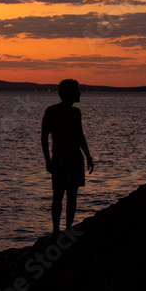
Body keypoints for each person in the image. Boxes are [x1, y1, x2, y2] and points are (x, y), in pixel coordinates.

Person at [41, 78, 94, 236]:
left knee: (72, 195)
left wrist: (88, 156)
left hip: (75, 158)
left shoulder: (76, 112)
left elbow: (80, 135)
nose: (79, 93)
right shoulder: (51, 111)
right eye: (76, 90)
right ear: (68, 93)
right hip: (60, 158)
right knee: (58, 196)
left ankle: (68, 228)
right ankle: (56, 230)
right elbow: (44, 137)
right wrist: (47, 160)